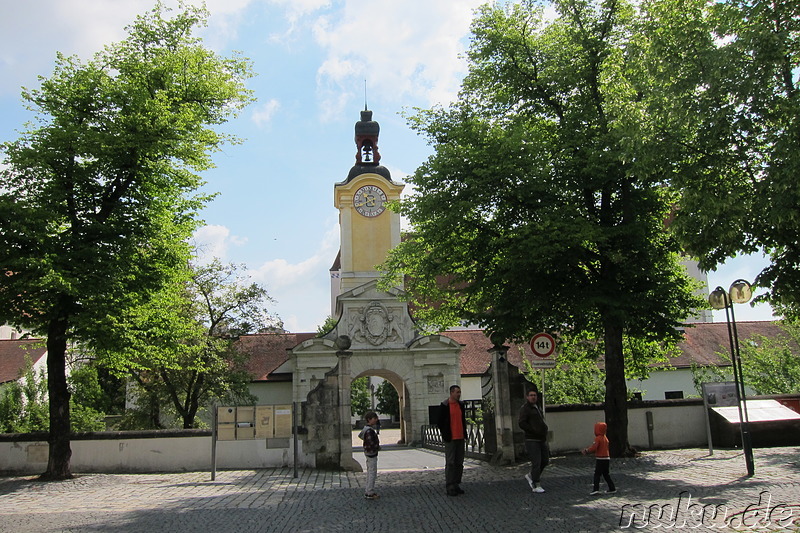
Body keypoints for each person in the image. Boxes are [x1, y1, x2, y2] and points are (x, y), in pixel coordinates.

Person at [437, 384, 467, 496]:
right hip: (450, 438)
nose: (459, 394)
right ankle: (450, 485)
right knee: (450, 462)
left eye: (459, 392)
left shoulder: (461, 405)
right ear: (451, 393)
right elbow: (439, 422)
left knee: (459, 462)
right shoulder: (445, 405)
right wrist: (445, 434)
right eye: (457, 392)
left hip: (460, 437)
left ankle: (456, 483)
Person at [518, 388, 549, 493]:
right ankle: (536, 484)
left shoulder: (538, 406)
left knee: (545, 460)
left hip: (541, 438)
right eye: (531, 395)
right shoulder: (525, 408)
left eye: (534, 395)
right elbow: (522, 423)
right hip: (532, 439)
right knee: (537, 461)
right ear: (527, 397)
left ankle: (531, 476)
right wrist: (533, 430)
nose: (533, 397)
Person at [582, 421, 616, 495]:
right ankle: (612, 488)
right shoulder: (606, 438)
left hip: (600, 458)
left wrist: (587, 451)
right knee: (606, 474)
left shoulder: (598, 438)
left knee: (597, 474)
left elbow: (594, 447)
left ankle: (596, 489)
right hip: (607, 458)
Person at [358, 411, 381, 499]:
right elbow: (371, 443)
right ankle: (370, 492)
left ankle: (368, 490)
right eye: (374, 418)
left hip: (368, 453)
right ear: (369, 419)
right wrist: (377, 447)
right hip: (371, 453)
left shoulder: (366, 430)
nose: (376, 420)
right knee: (372, 473)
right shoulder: (369, 431)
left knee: (370, 472)